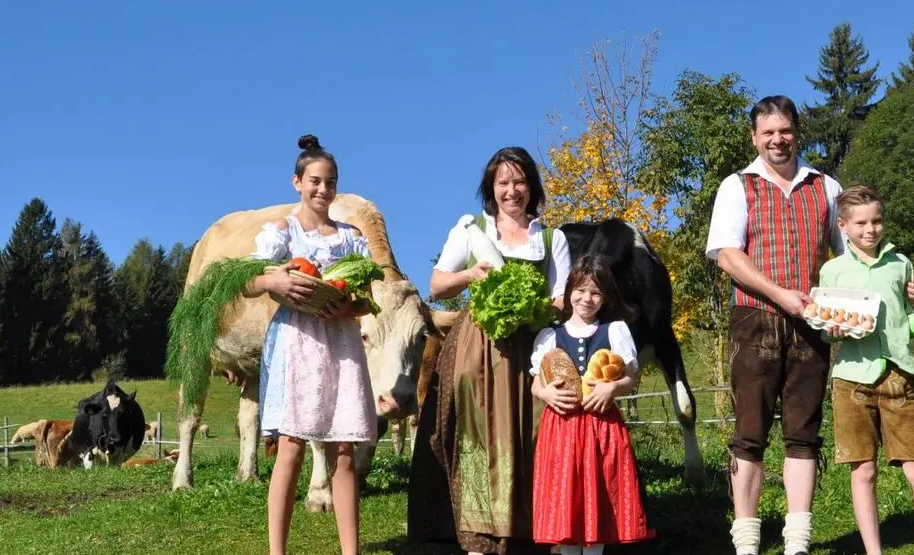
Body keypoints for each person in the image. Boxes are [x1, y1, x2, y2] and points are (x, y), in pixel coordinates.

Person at [705, 96, 914, 555]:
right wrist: (781, 294)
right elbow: (728, 255)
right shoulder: (737, 185)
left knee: (803, 432)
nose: (777, 140)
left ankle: (797, 540)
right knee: (750, 432)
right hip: (754, 319)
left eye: (784, 130)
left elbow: (855, 258)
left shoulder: (824, 186)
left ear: (796, 132)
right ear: (754, 137)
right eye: (767, 132)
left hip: (813, 323)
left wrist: (899, 281)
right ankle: (746, 539)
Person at [408, 146, 571, 555]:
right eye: (503, 182)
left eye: (519, 182)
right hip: (478, 348)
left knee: (530, 433)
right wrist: (470, 273)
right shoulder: (471, 231)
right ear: (491, 188)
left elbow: (561, 300)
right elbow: (437, 284)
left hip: (532, 349)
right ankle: (480, 536)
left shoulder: (552, 239)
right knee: (479, 435)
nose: (512, 191)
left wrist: (531, 309)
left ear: (531, 187)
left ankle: (531, 527)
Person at [244, 134, 377, 555]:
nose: (323, 189)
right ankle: (276, 552)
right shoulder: (282, 233)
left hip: (340, 345)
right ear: (297, 182)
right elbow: (246, 282)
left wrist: (347, 308)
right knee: (292, 447)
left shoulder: (352, 237)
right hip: (296, 343)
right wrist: (272, 280)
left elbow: (365, 299)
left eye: (330, 182)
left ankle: (349, 551)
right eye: (315, 181)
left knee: (342, 450)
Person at [819, 185, 914, 555]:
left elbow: (907, 320)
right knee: (864, 472)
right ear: (843, 226)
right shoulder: (832, 271)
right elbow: (827, 327)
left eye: (876, 220)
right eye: (860, 223)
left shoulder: (901, 265)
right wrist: (832, 331)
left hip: (898, 375)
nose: (870, 229)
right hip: (851, 380)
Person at [528, 255, 655, 555]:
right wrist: (546, 395)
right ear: (570, 289)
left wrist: (612, 387)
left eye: (596, 292)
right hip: (561, 429)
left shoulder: (614, 332)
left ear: (606, 297)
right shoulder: (550, 336)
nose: (587, 298)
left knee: (599, 497)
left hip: (602, 428)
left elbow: (629, 379)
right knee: (566, 503)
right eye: (581, 290)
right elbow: (536, 384)